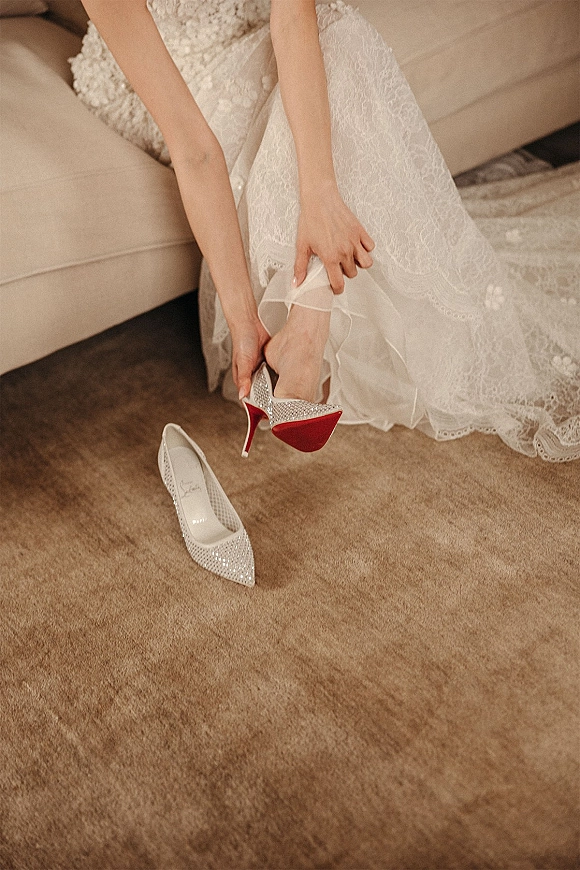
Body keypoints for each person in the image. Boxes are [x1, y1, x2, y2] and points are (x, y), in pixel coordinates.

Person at [71, 0, 580, 461]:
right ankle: (300, 332)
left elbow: (294, 19)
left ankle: (307, 328)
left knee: (341, 33)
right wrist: (242, 317)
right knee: (275, 106)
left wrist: (321, 196)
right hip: (164, 73)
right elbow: (195, 148)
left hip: (259, 26)